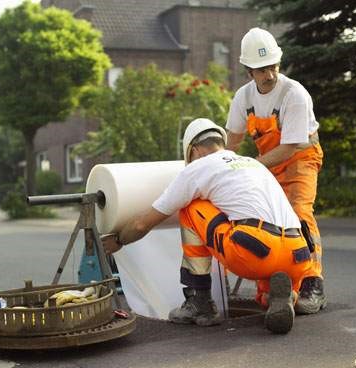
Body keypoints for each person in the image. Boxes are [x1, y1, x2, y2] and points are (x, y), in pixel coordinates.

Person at [102, 118, 318, 334]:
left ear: (194, 151)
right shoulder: (254, 164)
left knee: (189, 207)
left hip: (255, 252)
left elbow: (141, 224)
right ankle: (282, 295)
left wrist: (119, 239)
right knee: (265, 295)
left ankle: (200, 302)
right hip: (297, 255)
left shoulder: (197, 169)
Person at [225, 27, 326, 314]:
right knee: (265, 219)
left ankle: (311, 283)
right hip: (268, 163)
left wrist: (250, 167)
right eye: (261, 70)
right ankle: (274, 286)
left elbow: (290, 148)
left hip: (300, 159)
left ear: (278, 64)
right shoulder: (243, 98)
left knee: (299, 213)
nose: (268, 75)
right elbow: (231, 142)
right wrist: (221, 168)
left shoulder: (294, 94)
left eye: (272, 67)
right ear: (249, 72)